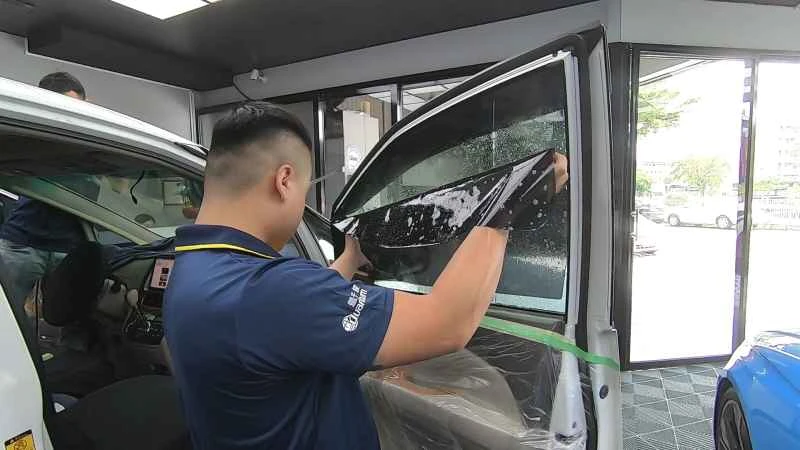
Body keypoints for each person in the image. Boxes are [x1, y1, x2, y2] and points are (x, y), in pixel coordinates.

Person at [163, 101, 569, 450]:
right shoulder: (265, 291)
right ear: (284, 181)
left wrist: (349, 260)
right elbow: (446, 323)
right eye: (304, 191)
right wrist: (510, 202)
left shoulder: (193, 267)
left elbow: (287, 322)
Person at [0, 72, 89, 313]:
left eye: (79, 107)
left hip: (68, 246)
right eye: (67, 106)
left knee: (69, 316)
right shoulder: (28, 133)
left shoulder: (89, 141)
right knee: (8, 313)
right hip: (23, 242)